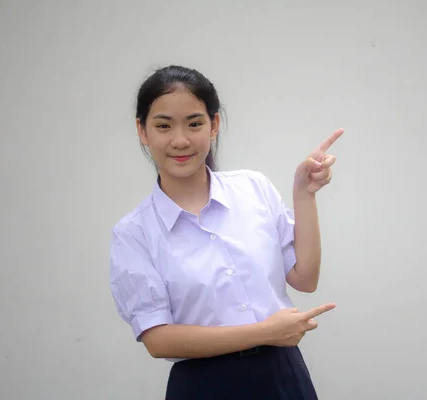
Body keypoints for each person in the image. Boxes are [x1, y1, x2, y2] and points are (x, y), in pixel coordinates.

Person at [109, 64, 344, 399]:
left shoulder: (254, 188)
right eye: (163, 126)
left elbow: (305, 278)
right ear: (142, 131)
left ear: (214, 124)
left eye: (194, 124)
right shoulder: (134, 233)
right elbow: (158, 340)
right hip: (204, 385)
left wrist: (304, 194)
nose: (180, 140)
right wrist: (264, 332)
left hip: (282, 375)